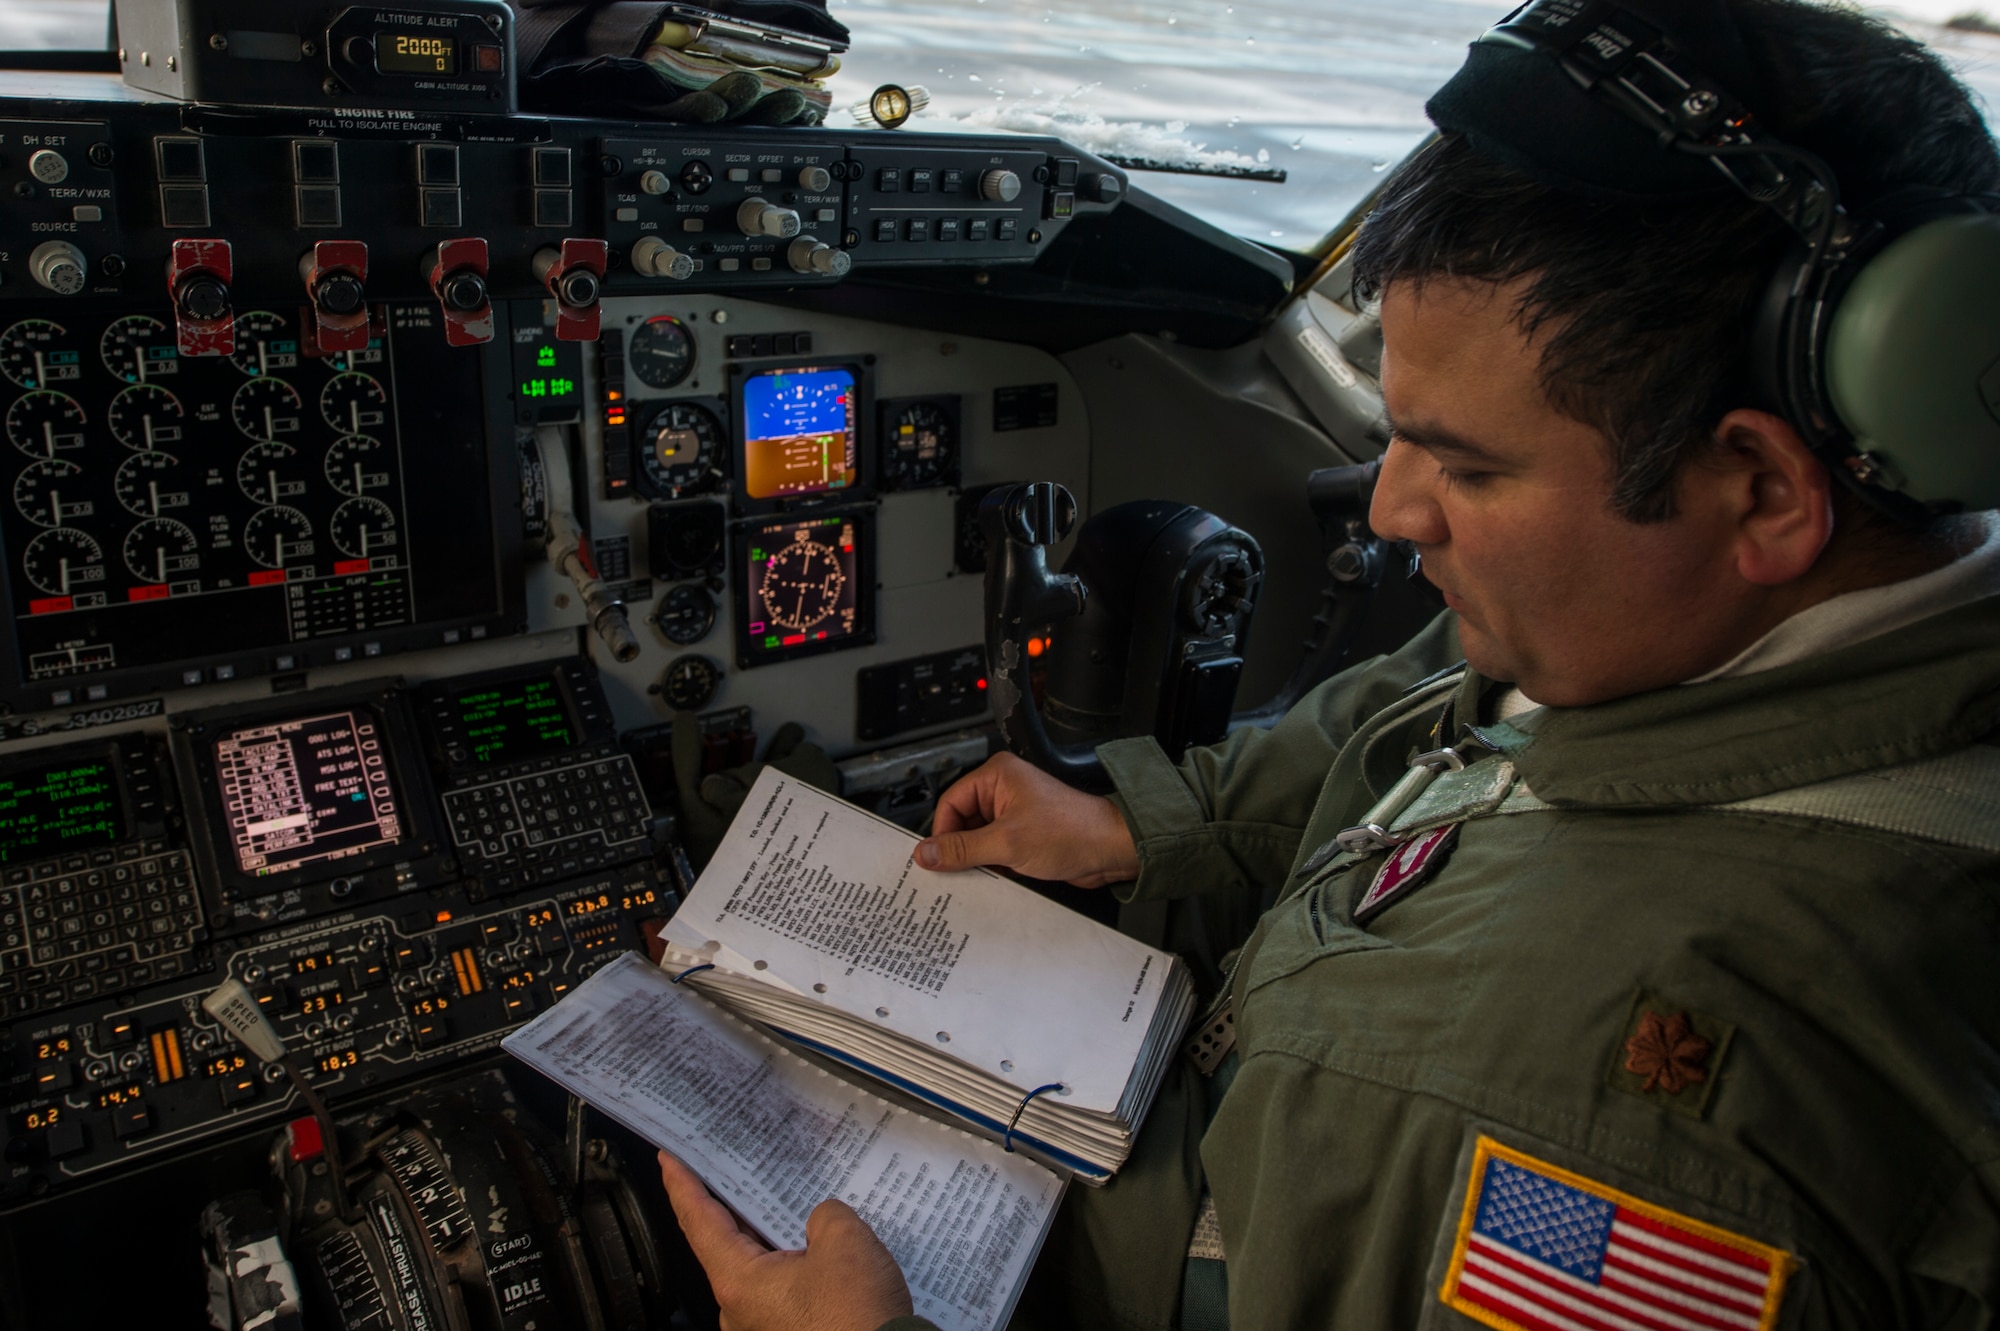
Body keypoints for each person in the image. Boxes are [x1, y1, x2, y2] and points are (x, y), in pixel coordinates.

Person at [657, 0, 2000, 1325]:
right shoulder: (1668, 635)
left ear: (1762, 489)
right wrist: (1142, 821)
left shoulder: (1662, 1138)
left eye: (1466, 465)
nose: (1394, 510)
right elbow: (1425, 709)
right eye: (1402, 432)